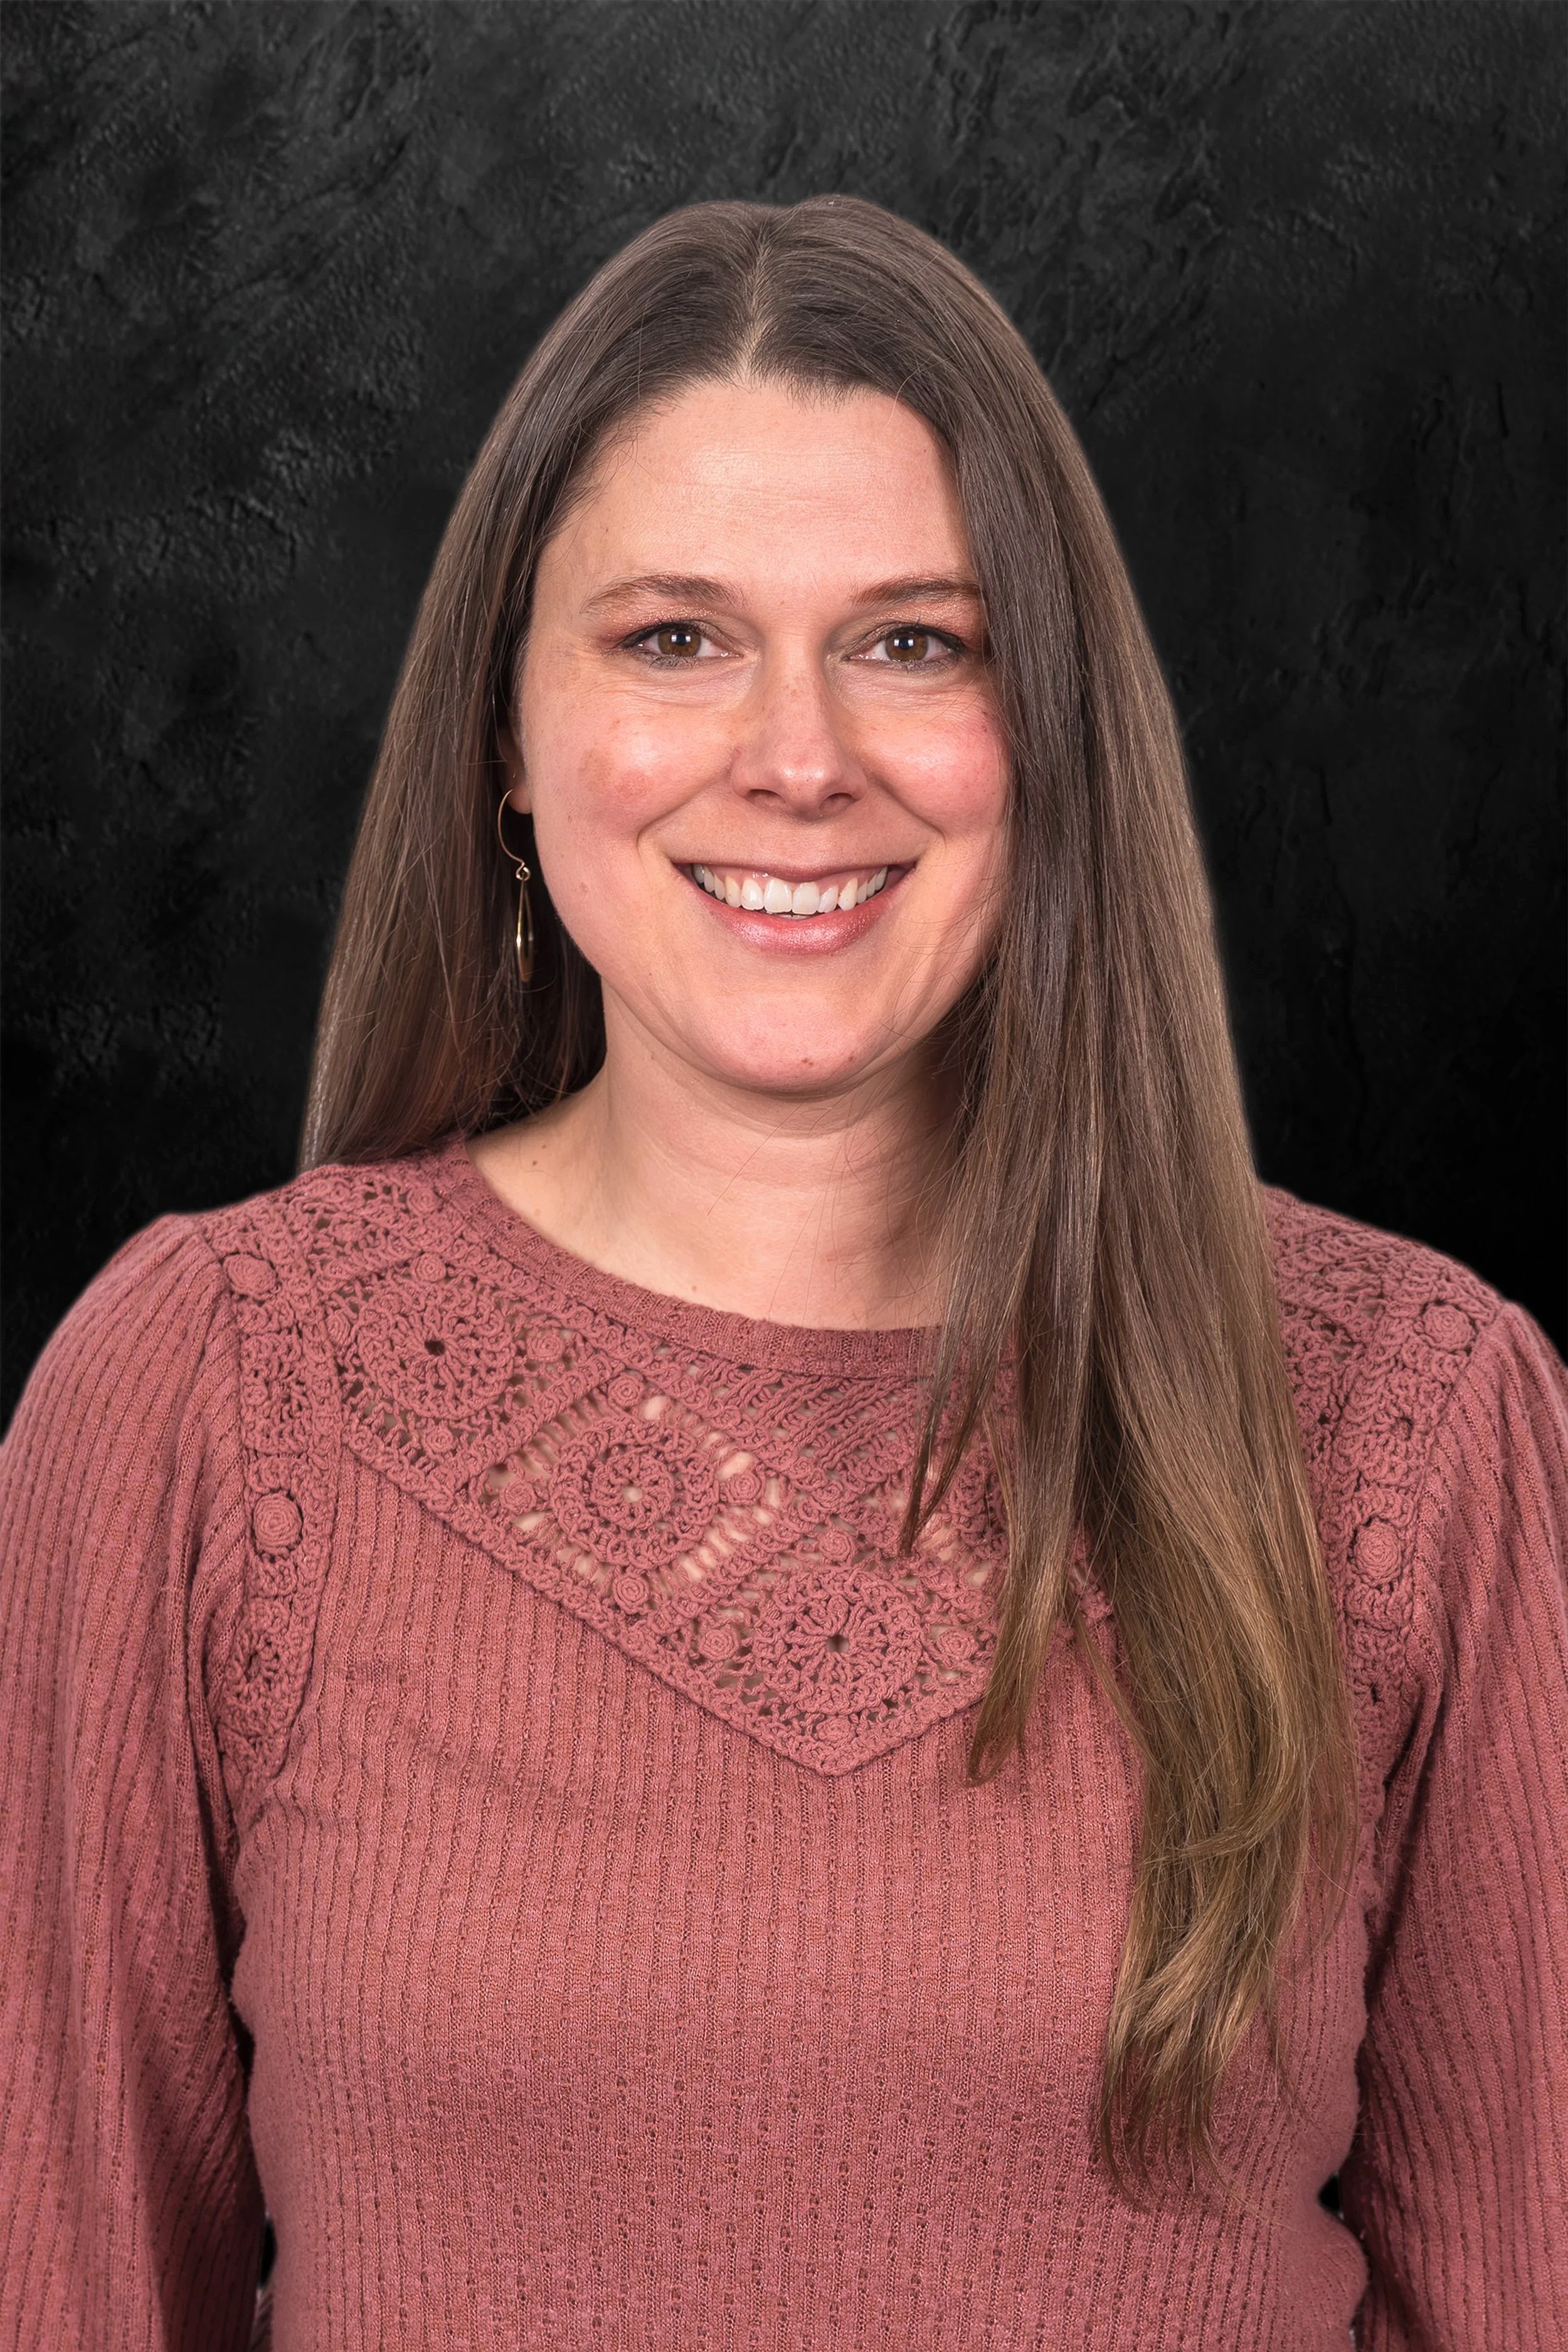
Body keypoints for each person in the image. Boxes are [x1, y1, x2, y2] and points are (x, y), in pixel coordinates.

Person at [1, 194, 1563, 2352]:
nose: (799, 755)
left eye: (917, 640)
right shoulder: (203, 1392)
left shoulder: (1411, 1412)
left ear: (1055, 746)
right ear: (504, 746)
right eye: (673, 639)